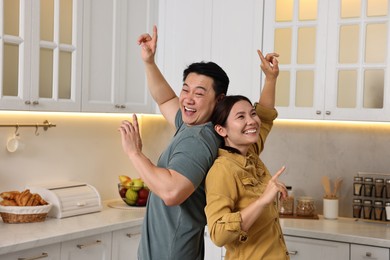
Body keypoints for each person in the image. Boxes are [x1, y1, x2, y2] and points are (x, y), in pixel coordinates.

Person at [118, 25, 229, 260]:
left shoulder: (198, 141)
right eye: (185, 89)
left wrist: (134, 153)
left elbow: (171, 192)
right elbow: (166, 97)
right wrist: (149, 62)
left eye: (199, 93)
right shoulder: (192, 125)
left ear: (219, 100)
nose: (187, 98)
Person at [204, 50, 290, 259]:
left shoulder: (249, 152)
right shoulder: (222, 171)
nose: (251, 121)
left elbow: (266, 117)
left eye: (251, 113)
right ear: (222, 130)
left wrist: (271, 78)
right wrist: (262, 201)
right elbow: (217, 234)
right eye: (240, 117)